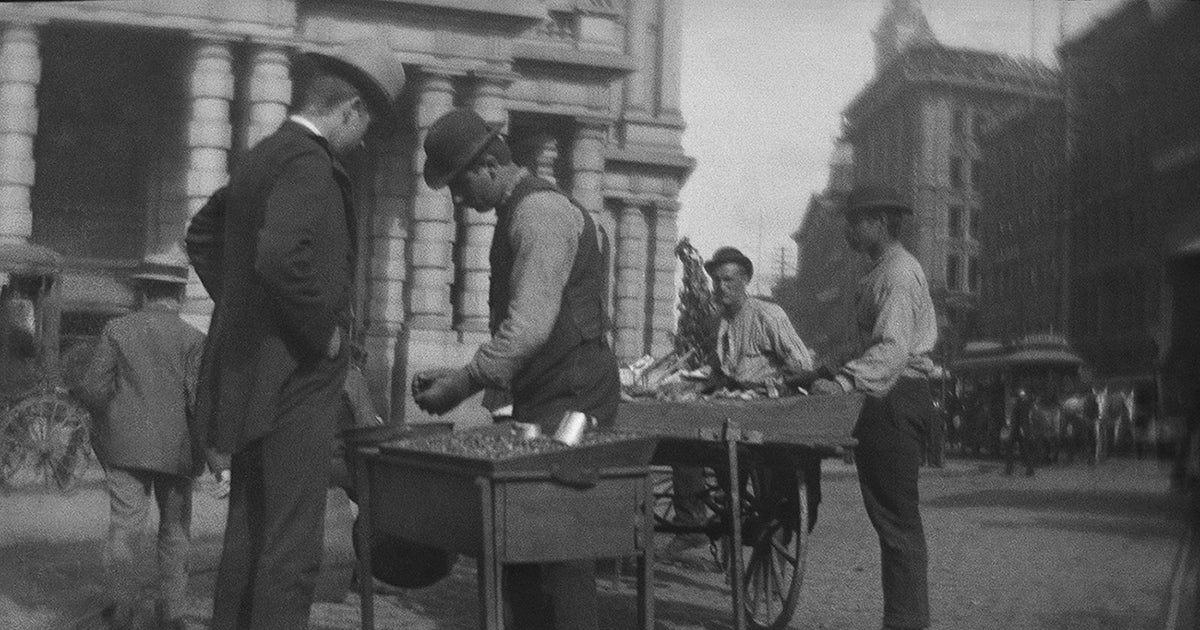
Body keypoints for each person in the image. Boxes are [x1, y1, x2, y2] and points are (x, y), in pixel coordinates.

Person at [184, 39, 404, 630]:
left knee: (249, 535)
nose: (361, 142)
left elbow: (202, 234)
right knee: (292, 548)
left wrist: (246, 310)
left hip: (252, 373)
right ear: (351, 109)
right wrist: (321, 331)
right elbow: (280, 255)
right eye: (366, 127)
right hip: (299, 380)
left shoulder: (264, 156)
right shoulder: (309, 165)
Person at [411, 107, 620, 630]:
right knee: (520, 541)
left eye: (459, 183)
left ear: (486, 165)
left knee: (563, 545)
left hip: (573, 398)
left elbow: (528, 330)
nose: (458, 199)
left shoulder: (539, 214)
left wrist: (462, 381)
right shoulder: (519, 211)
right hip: (549, 391)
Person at [810, 183, 938, 630]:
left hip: (894, 397)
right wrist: (823, 366)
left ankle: (906, 623)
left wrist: (843, 382)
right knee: (891, 518)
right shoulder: (880, 271)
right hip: (887, 396)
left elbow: (891, 350)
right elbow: (868, 341)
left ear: (880, 223)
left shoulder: (898, 274)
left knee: (896, 518)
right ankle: (902, 620)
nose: (848, 230)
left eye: (855, 221)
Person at [74, 253, 206, 630]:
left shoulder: (117, 330)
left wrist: (111, 419)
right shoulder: (194, 340)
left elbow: (92, 387)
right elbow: (198, 401)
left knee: (125, 526)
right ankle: (172, 613)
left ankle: (120, 610)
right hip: (177, 451)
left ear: (144, 291)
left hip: (124, 447)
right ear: (179, 295)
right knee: (175, 530)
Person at [664, 246, 817, 557]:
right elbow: (719, 369)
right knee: (683, 437)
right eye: (717, 280)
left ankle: (768, 525)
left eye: (730, 280)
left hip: (767, 407)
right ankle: (693, 522)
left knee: (770, 482)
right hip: (731, 404)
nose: (722, 287)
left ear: (746, 279)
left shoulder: (768, 315)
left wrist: (768, 383)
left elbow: (801, 365)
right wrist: (686, 381)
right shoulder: (719, 321)